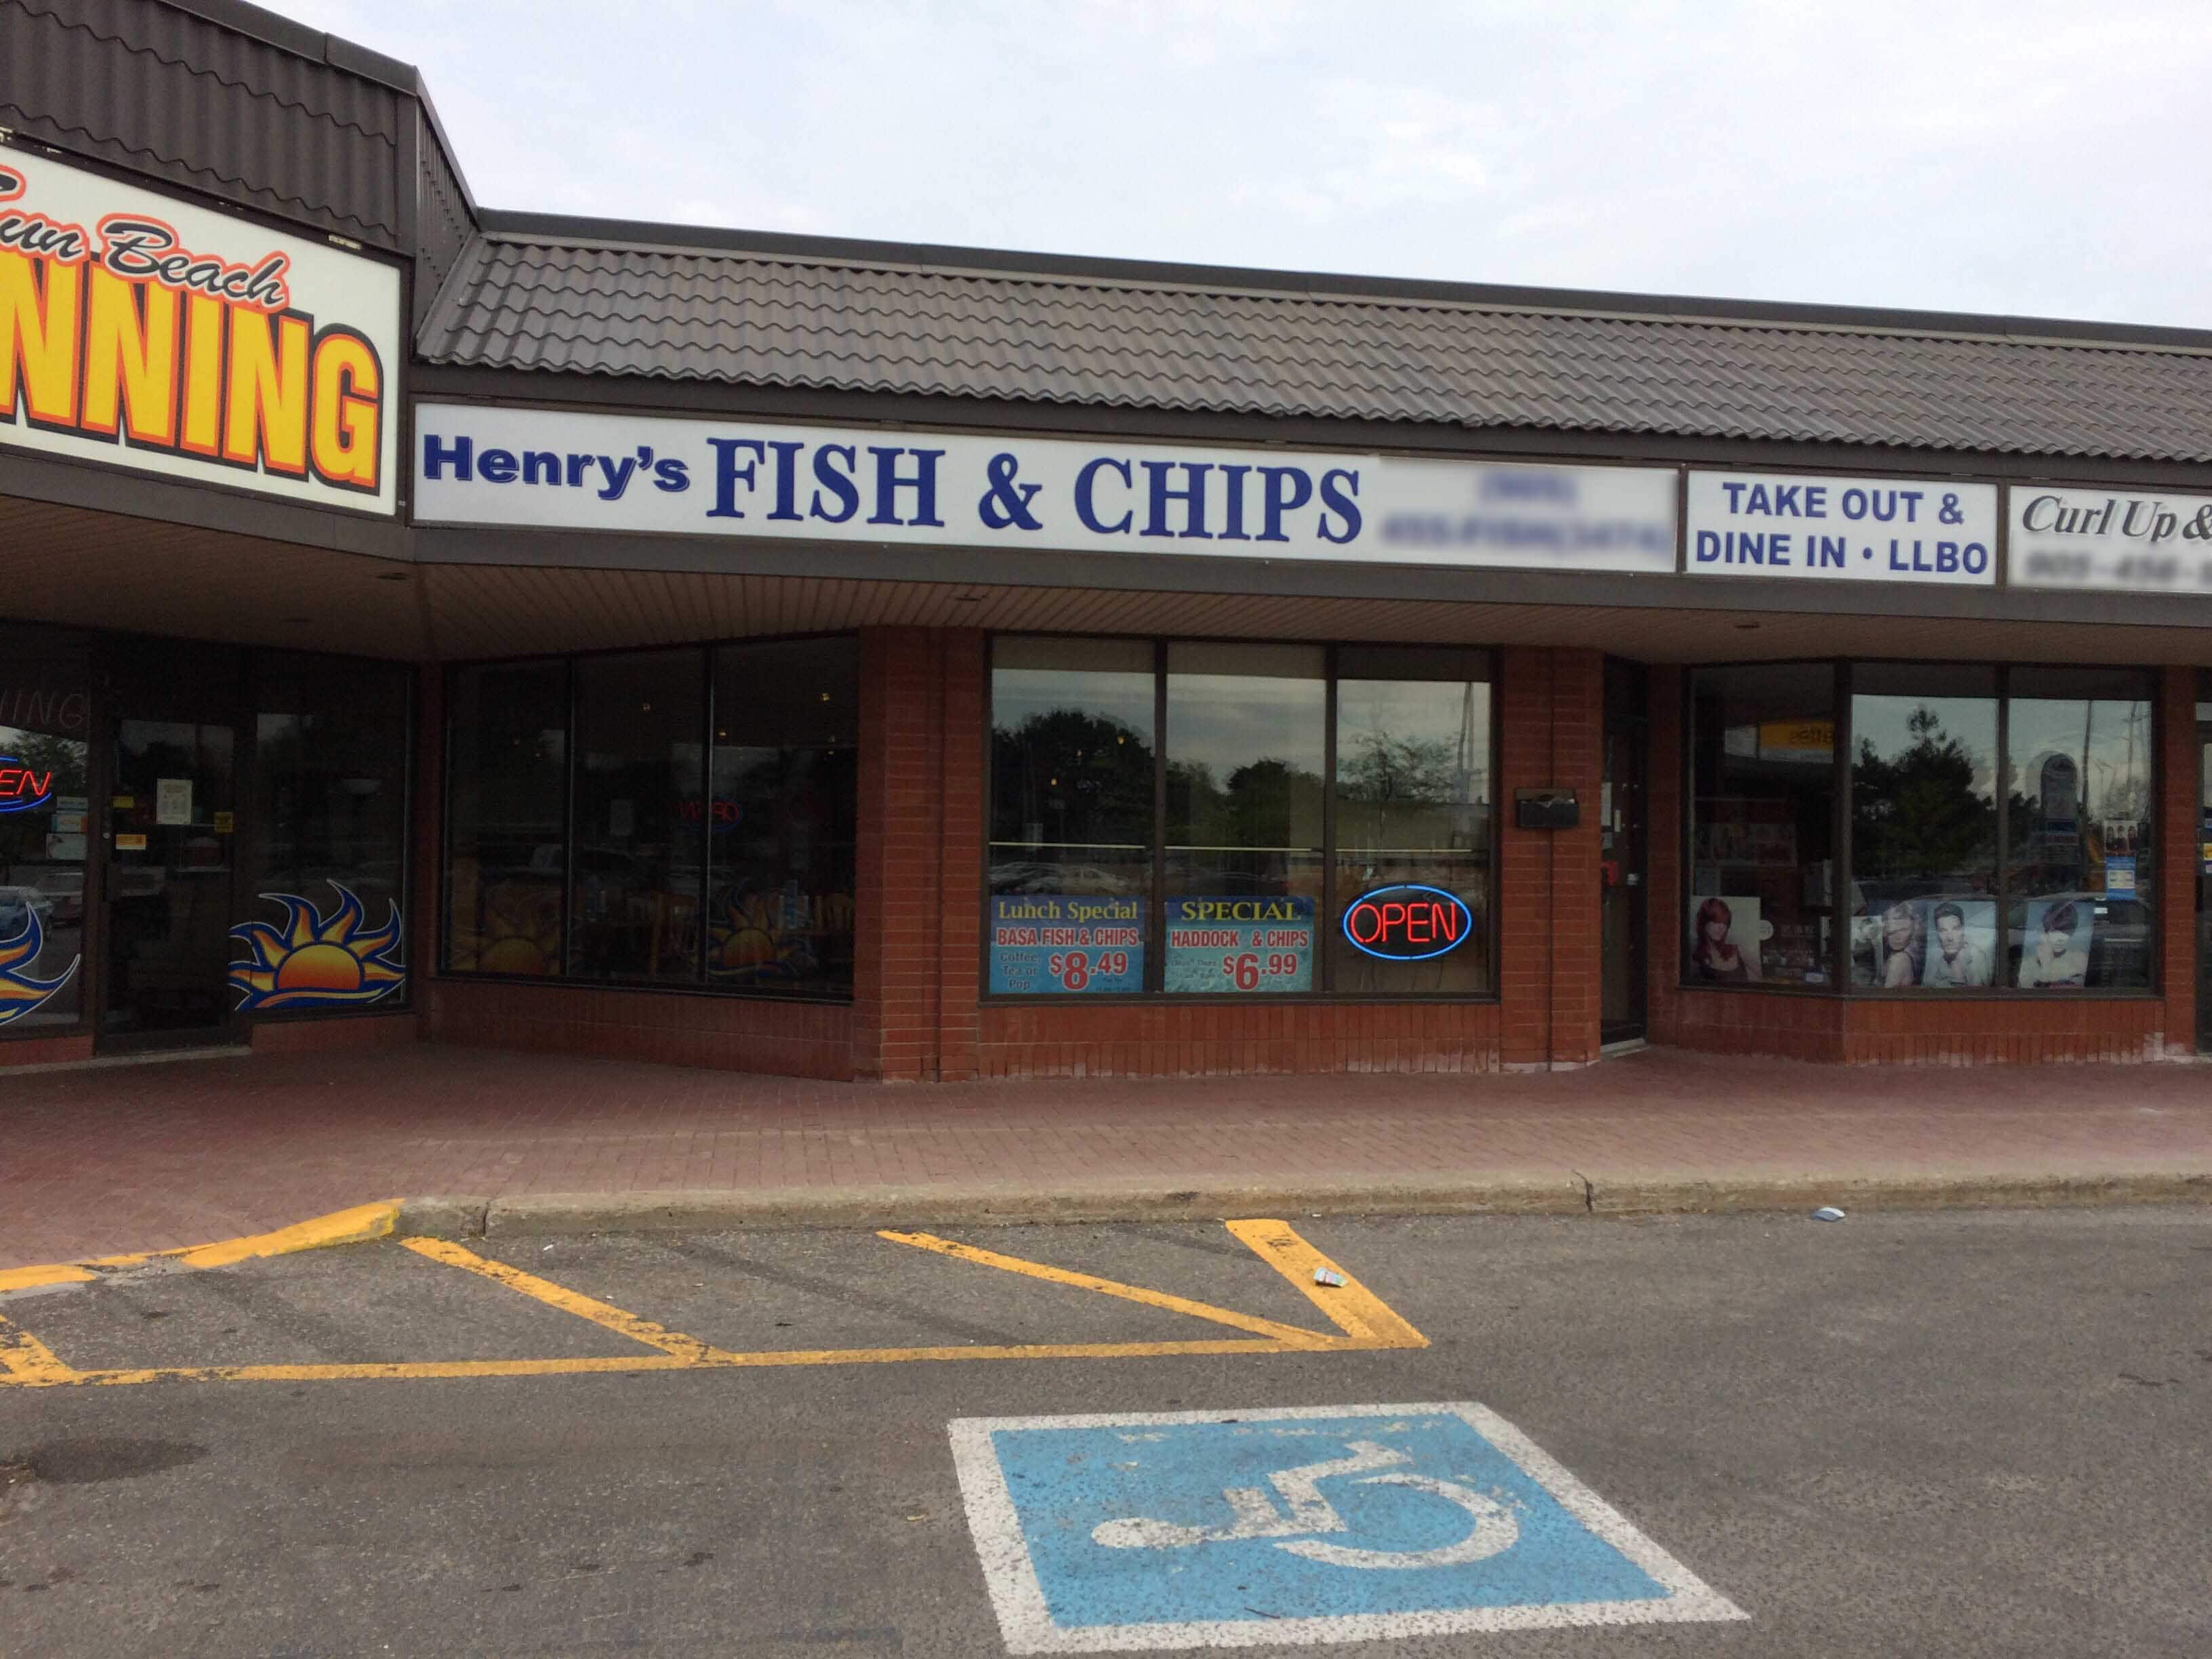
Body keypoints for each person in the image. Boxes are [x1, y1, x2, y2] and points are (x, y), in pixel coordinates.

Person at [2019, 900, 2089, 989]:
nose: (2060, 938)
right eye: (2055, 931)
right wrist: (2045, 964)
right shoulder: (2028, 964)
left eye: (2066, 932)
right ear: (2046, 932)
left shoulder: (2080, 960)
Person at [1922, 900, 1990, 987]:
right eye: (1943, 931)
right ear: (1937, 933)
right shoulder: (1934, 959)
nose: (1950, 938)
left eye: (1955, 929)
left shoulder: (1976, 957)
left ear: (1963, 929)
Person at [1689, 897, 1750, 983]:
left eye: (1724, 923)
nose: (1721, 928)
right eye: (1716, 922)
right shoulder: (1694, 951)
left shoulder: (1735, 949)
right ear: (1704, 923)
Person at [1879, 901, 1919, 987]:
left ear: (1913, 929)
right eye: (1892, 931)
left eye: (1904, 930)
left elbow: (1886, 998)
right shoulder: (1892, 956)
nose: (1897, 937)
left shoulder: (1900, 960)